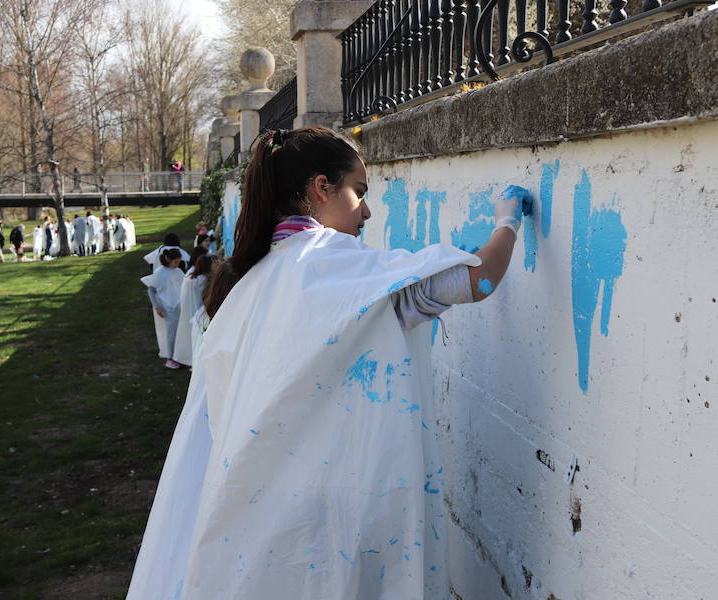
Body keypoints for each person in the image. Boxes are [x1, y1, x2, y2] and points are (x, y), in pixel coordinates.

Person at [126, 126, 532, 599]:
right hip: (336, 517)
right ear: (322, 187)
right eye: (358, 191)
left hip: (251, 514)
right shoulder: (344, 269)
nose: (368, 209)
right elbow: (478, 281)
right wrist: (508, 222)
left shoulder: (248, 281)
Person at [142, 248, 186, 369]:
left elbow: (183, 283)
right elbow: (151, 290)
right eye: (175, 262)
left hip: (178, 305)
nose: (177, 264)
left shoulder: (177, 271)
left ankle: (179, 355)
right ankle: (170, 358)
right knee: (171, 333)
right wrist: (157, 307)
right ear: (168, 259)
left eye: (178, 262)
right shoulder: (160, 273)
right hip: (167, 307)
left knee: (179, 331)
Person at [172, 254, 215, 368]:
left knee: (184, 333)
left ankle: (182, 357)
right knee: (196, 336)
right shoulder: (204, 279)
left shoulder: (190, 276)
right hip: (197, 309)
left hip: (187, 309)